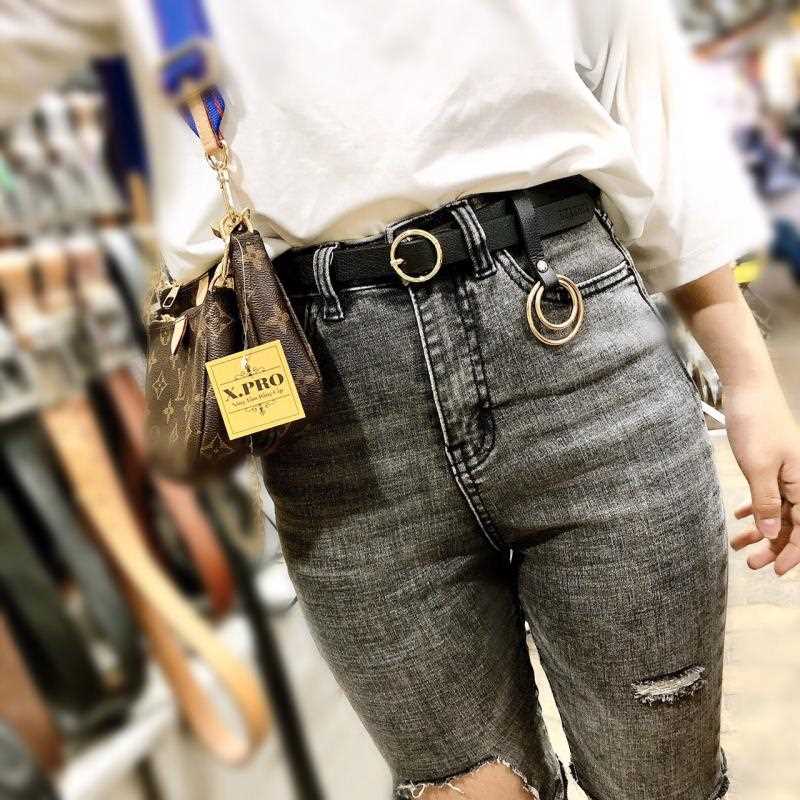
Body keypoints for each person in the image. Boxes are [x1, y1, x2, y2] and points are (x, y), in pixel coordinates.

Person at [3, 3, 799, 799]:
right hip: (325, 398)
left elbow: (646, 94)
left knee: (661, 784)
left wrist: (751, 380)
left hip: (575, 341)